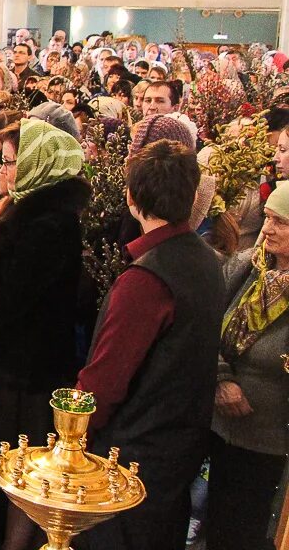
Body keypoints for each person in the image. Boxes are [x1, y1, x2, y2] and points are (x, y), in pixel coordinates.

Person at [77, 140, 224, 550]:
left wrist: (76, 430)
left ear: (131, 196)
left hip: (133, 454)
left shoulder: (146, 280)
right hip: (177, 446)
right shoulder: (205, 258)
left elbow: (105, 379)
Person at [0, 119, 88, 550]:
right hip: (11, 357)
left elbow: (15, 299)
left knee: (25, 459)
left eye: (9, 161)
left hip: (31, 367)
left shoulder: (51, 225)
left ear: (36, 166)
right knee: (8, 453)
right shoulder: (20, 211)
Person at [206, 181, 289, 550]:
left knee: (247, 534)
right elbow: (206, 327)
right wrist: (222, 378)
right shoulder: (245, 268)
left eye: (281, 222)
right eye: (268, 218)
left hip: (270, 444)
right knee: (218, 525)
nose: (267, 229)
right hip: (219, 428)